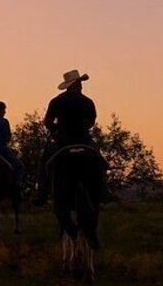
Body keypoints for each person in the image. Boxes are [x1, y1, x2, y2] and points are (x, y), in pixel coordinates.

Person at [34, 70, 108, 204]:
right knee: (99, 160)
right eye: (79, 83)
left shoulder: (57, 101)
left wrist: (56, 130)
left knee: (44, 161)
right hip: (84, 139)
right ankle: (104, 191)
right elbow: (91, 121)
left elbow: (48, 121)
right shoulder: (88, 101)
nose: (80, 85)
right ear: (75, 84)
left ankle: (42, 195)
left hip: (62, 141)